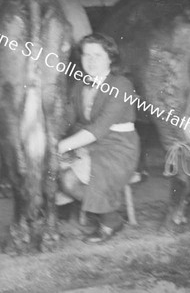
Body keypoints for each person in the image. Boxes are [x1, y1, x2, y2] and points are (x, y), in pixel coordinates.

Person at [57, 33, 140, 243]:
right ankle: (58, 213)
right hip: (87, 143)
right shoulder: (79, 84)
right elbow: (67, 118)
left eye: (98, 55)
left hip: (118, 148)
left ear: (110, 58)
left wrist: (61, 146)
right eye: (86, 55)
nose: (91, 61)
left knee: (69, 179)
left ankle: (111, 220)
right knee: (49, 166)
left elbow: (99, 128)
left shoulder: (121, 85)